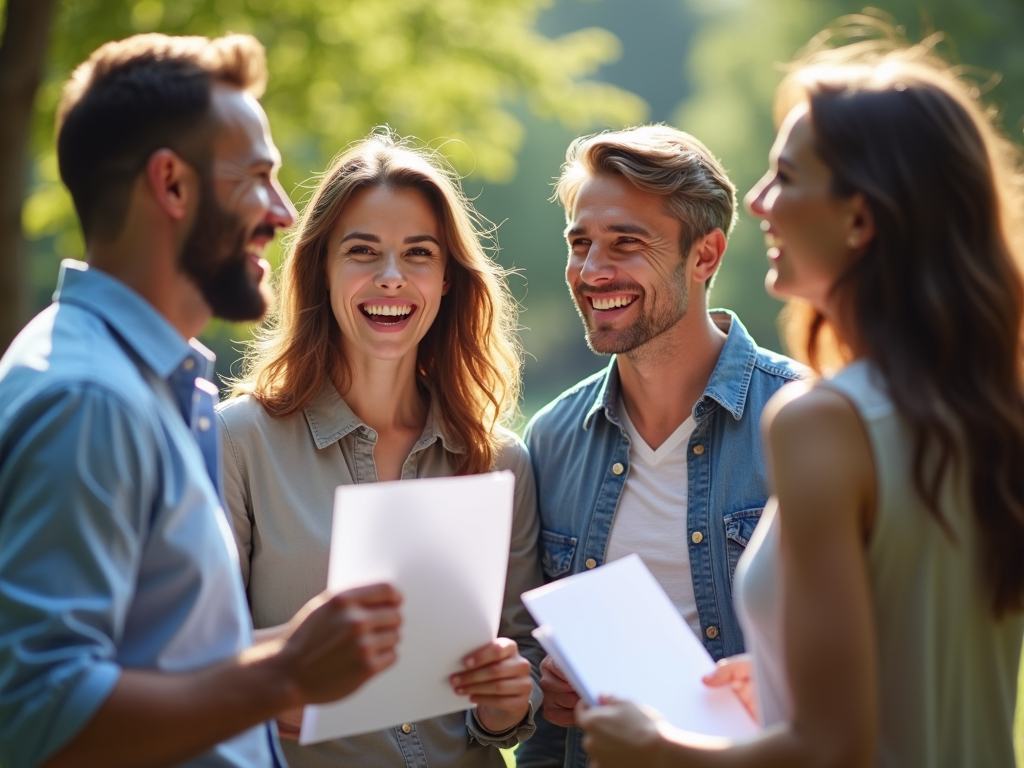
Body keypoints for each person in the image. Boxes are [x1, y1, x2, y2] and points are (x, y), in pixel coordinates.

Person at [576, 22, 1024, 768]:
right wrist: (783, 676)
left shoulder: (824, 420)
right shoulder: (986, 406)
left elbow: (832, 749)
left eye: (785, 176)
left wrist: (656, 750)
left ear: (859, 215)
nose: (756, 201)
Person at [0, 34, 403, 768]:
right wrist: (282, 677)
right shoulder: (89, 400)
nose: (283, 213)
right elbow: (35, 715)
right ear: (173, 186)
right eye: (258, 177)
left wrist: (302, 648)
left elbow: (157, 657)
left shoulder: (150, 384)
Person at [215, 130, 543, 768]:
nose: (391, 278)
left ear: (447, 278)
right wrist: (273, 681)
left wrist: (507, 699)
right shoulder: (238, 441)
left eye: (418, 254)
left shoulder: (500, 461)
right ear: (322, 270)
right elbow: (197, 659)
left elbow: (521, 672)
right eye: (363, 252)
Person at [515, 125, 805, 768]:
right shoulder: (554, 438)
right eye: (581, 243)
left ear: (705, 257)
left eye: (625, 244)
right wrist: (547, 690)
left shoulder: (803, 421)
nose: (592, 271)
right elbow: (540, 722)